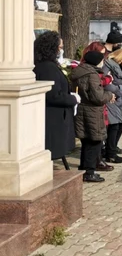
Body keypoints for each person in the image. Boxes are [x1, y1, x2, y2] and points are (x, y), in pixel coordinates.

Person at [33, 31, 79, 163]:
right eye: (59, 47)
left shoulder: (49, 65)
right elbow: (53, 95)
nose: (61, 50)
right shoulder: (47, 68)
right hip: (53, 115)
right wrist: (73, 99)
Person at [71, 50, 116, 182]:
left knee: (86, 141)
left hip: (81, 109)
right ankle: (89, 171)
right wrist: (110, 95)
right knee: (94, 141)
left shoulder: (78, 71)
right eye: (102, 60)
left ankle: (83, 168)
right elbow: (98, 97)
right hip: (92, 111)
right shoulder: (92, 75)